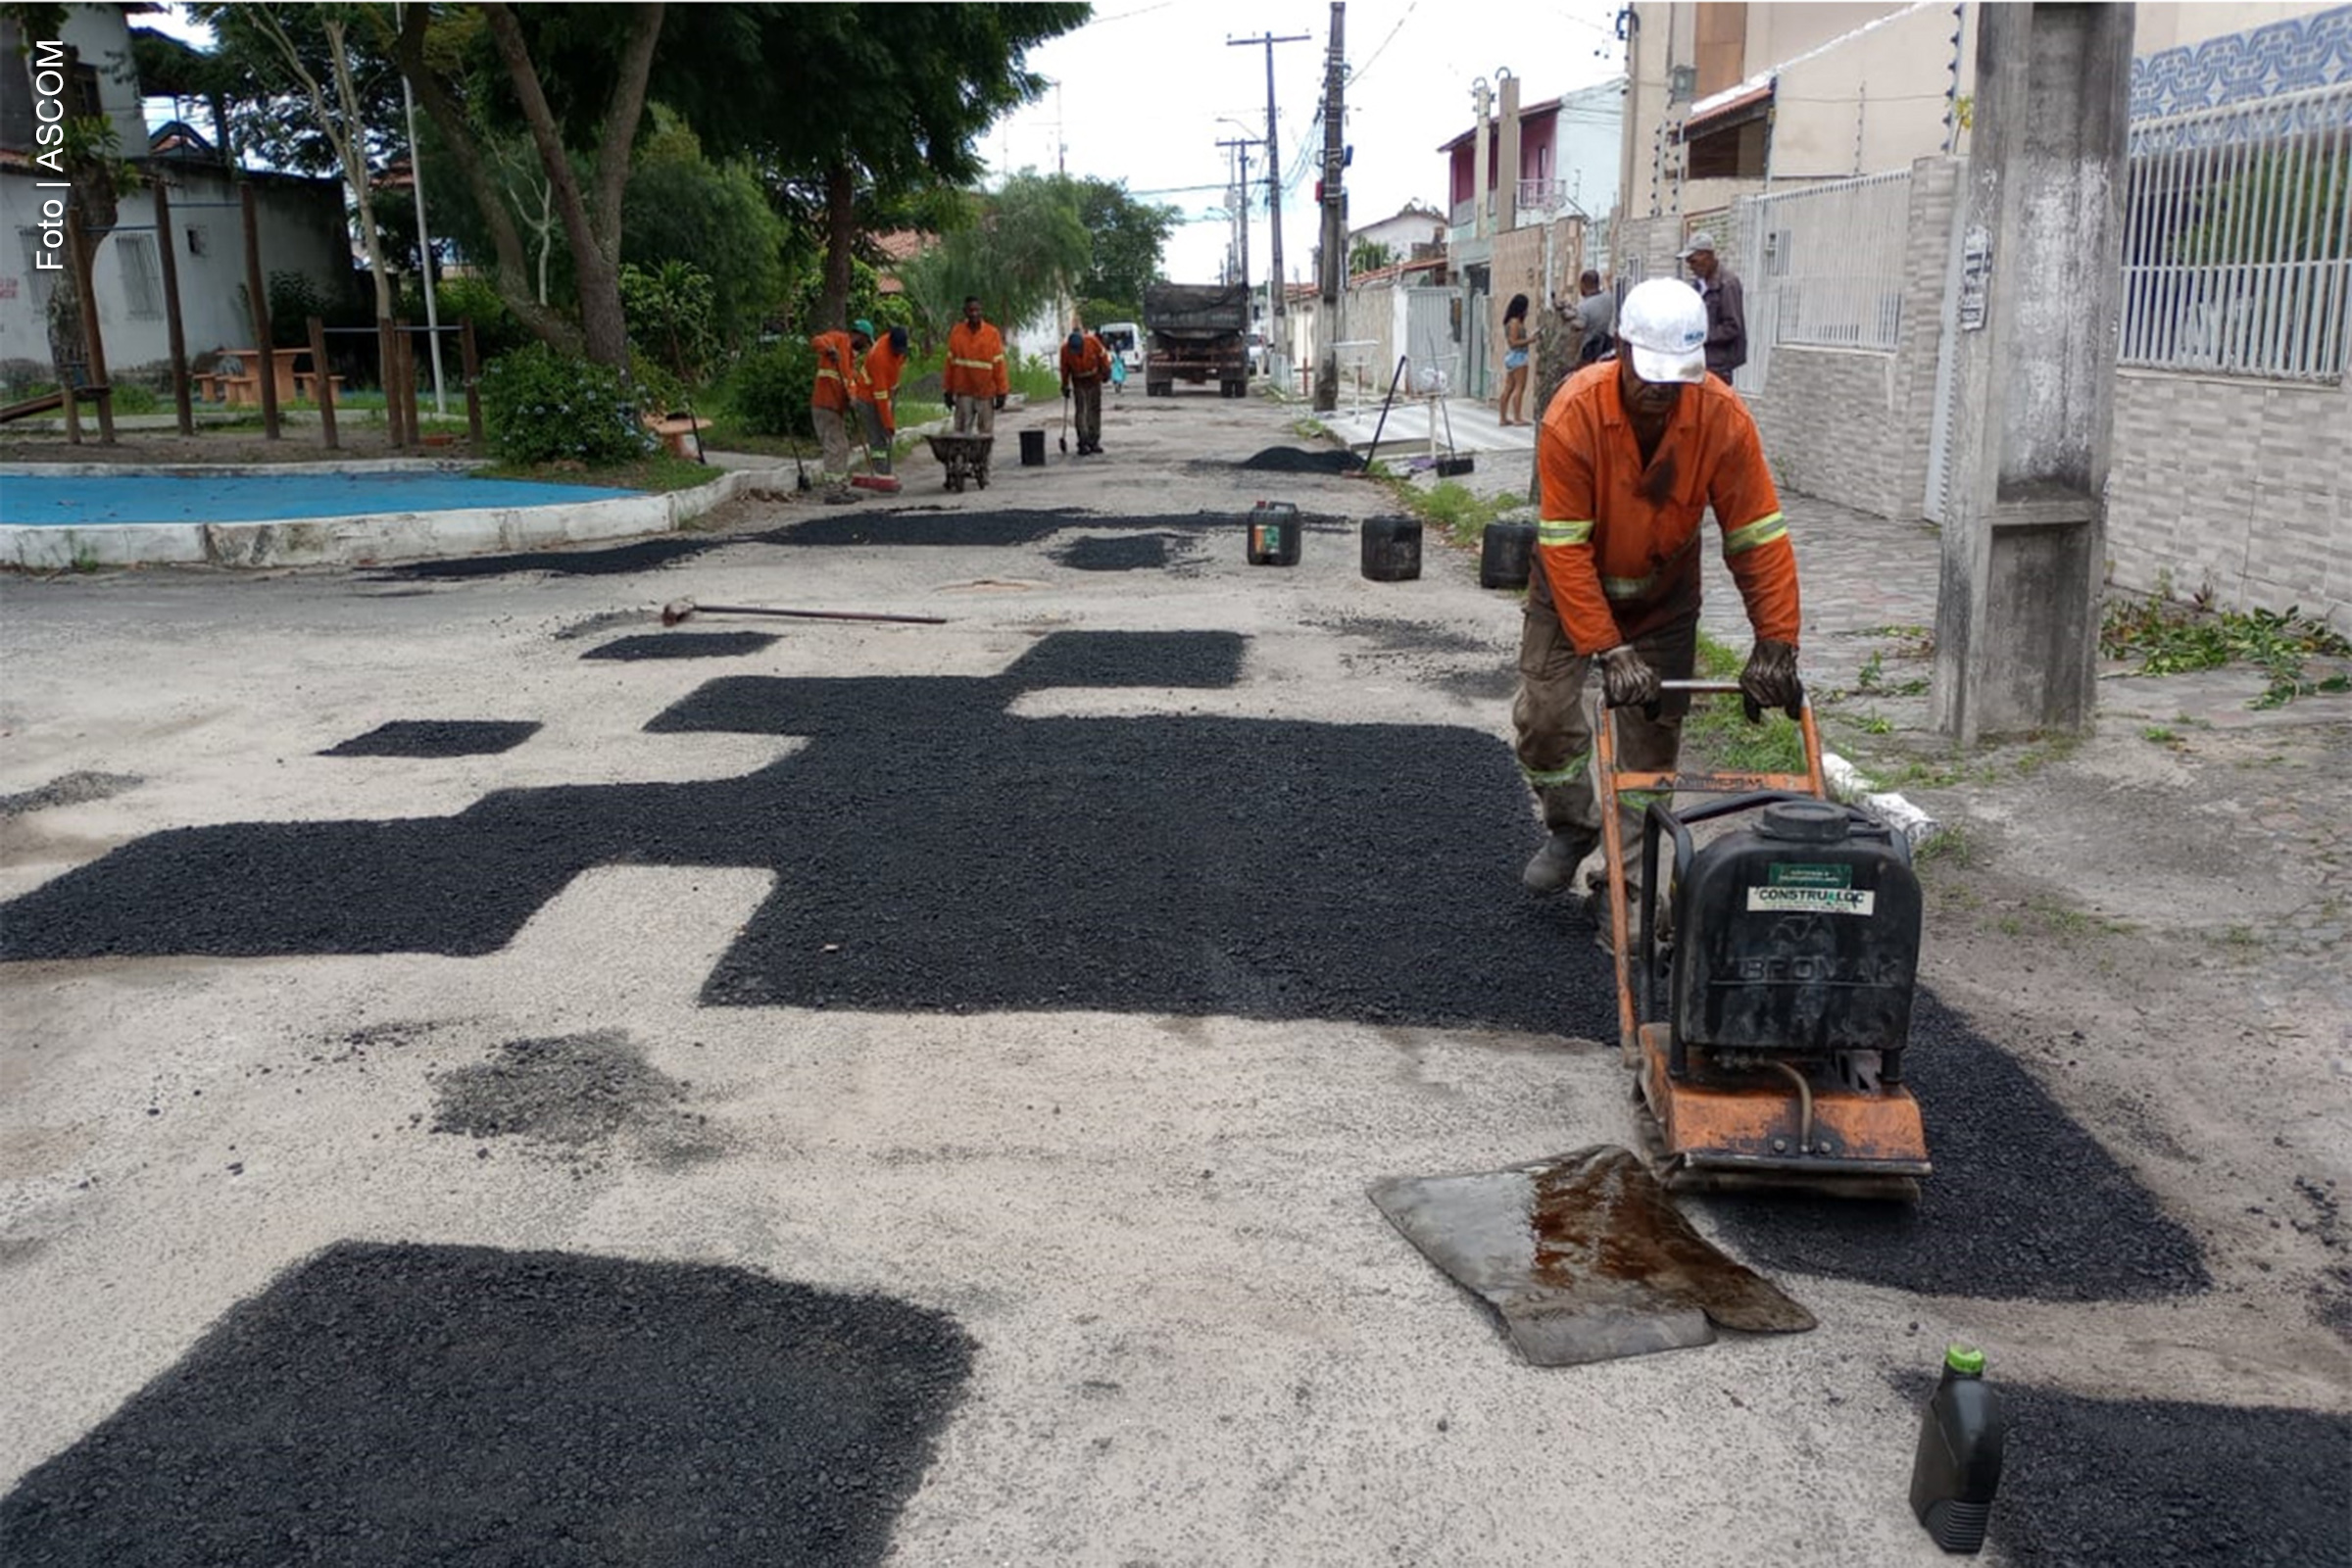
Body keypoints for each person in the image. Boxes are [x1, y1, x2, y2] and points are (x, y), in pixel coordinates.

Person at [1513, 278, 1803, 925]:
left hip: (1664, 596)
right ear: (1619, 348)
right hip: (1568, 594)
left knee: (1649, 749)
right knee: (1543, 720)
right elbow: (1563, 546)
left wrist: (1776, 642)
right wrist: (1608, 648)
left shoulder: (1722, 419)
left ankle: (1630, 891)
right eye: (1650, 375)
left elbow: (1756, 534)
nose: (1662, 392)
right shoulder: (1574, 415)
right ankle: (1573, 825)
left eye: (1678, 378)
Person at [808, 320, 872, 499]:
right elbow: (817, 341)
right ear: (860, 335)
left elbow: (850, 383)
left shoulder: (850, 361)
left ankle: (840, 486)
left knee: (842, 447)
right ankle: (833, 491)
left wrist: (852, 399)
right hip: (825, 404)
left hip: (836, 408)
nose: (865, 346)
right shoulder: (837, 339)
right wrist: (829, 350)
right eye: (866, 341)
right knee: (835, 447)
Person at [1677, 231, 1746, 382]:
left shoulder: (1727, 283)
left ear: (1707, 256)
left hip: (1717, 365)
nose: (1690, 266)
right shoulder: (1699, 284)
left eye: (1693, 260)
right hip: (1699, 361)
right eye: (1688, 261)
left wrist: (1699, 337)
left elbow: (1732, 327)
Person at [945, 295, 1009, 437]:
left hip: (985, 392)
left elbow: (999, 365)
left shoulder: (992, 333)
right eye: (971, 310)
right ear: (965, 312)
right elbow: (950, 364)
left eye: (977, 310)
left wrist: (1002, 391)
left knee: (985, 434)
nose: (974, 314)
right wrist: (948, 390)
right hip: (964, 392)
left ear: (981, 311)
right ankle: (960, 460)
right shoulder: (957, 332)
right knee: (960, 433)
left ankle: (983, 460)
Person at [858, 318, 911, 474]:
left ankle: (886, 471)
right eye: (896, 350)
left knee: (886, 437)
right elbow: (879, 396)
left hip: (886, 393)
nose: (899, 353)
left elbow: (896, 369)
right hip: (868, 397)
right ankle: (881, 473)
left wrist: (894, 388)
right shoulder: (879, 357)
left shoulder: (899, 348)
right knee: (877, 437)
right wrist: (889, 423)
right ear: (890, 343)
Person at [1059, 323, 1112, 455]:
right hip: (1078, 382)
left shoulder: (1092, 342)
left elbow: (1103, 357)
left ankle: (1094, 440)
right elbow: (1064, 369)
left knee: (1094, 410)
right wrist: (1065, 385)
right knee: (1081, 411)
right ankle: (1083, 441)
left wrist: (1106, 372)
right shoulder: (1065, 350)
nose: (1077, 353)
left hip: (1094, 379)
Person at [1497, 294, 1534, 426]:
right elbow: (1513, 342)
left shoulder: (1510, 321)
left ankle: (1503, 417)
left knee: (1509, 387)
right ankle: (1517, 417)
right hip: (1519, 356)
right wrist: (1530, 340)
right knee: (1519, 387)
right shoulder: (1515, 322)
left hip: (1512, 357)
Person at [1574, 270, 1615, 368]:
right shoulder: (1609, 298)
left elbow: (1579, 329)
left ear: (1583, 285)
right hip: (1607, 347)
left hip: (1589, 351)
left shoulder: (1583, 307)